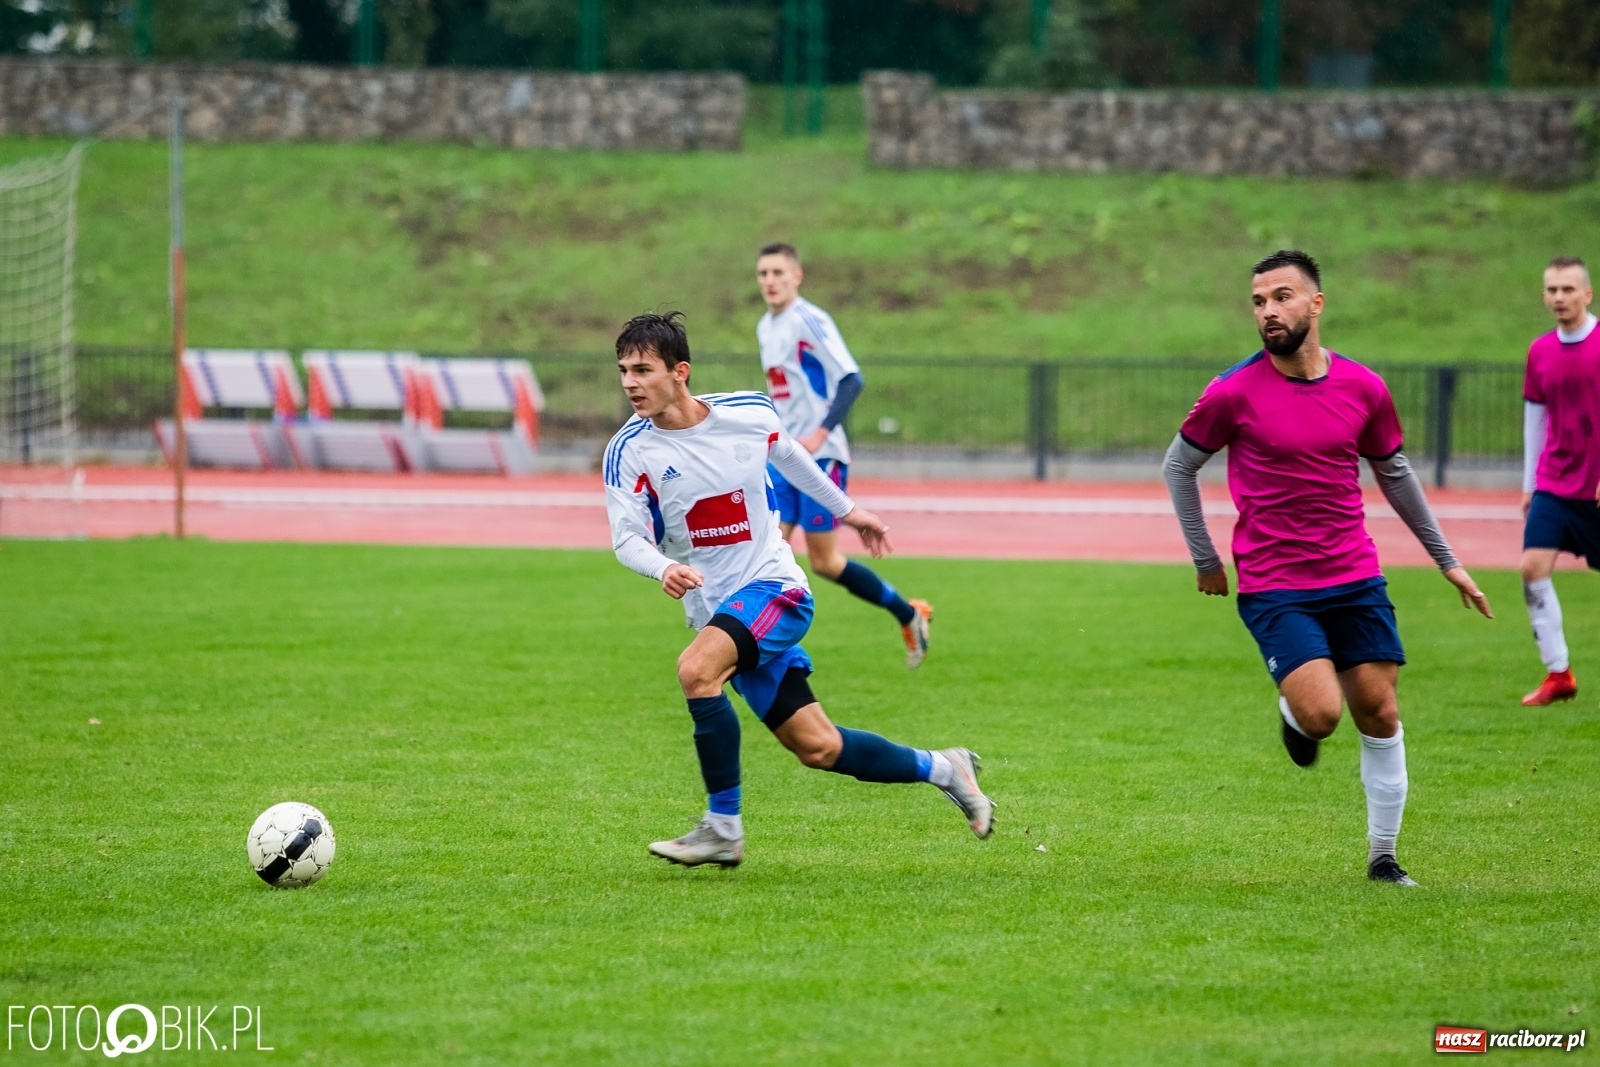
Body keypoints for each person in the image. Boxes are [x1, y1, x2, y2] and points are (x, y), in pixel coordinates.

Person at [603, 311, 994, 868]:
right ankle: (945, 767)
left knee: (696, 671)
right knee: (819, 747)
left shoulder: (747, 413)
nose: (630, 383)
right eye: (623, 371)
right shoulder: (628, 450)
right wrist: (661, 566)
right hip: (720, 611)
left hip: (775, 589)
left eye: (642, 370)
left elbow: (793, 459)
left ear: (680, 371)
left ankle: (723, 828)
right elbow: (626, 538)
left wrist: (850, 512)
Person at [1162, 250, 1493, 887]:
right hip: (1276, 583)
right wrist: (1205, 558)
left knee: (1380, 712)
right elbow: (1179, 466)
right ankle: (1295, 716)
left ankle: (1383, 858)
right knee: (1321, 715)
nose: (1268, 311)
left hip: (1355, 576)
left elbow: (1395, 473)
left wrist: (1448, 562)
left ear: (1315, 304)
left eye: (1281, 297)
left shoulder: (1364, 387)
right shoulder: (1232, 391)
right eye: (1258, 301)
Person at [755, 242, 934, 668]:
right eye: (763, 274)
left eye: (778, 272)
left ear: (797, 276)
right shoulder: (765, 326)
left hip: (820, 457)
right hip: (784, 456)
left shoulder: (810, 319)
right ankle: (760, 648)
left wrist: (819, 434)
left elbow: (852, 379)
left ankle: (908, 612)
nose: (770, 281)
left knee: (824, 561)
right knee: (767, 552)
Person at [1517, 256, 1599, 706]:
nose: (1559, 297)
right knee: (1532, 569)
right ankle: (1559, 673)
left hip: (1595, 484)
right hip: (1555, 482)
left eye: (1568, 289)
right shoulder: (1540, 351)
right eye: (1552, 290)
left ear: (1587, 294)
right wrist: (1529, 484)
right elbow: (1535, 417)